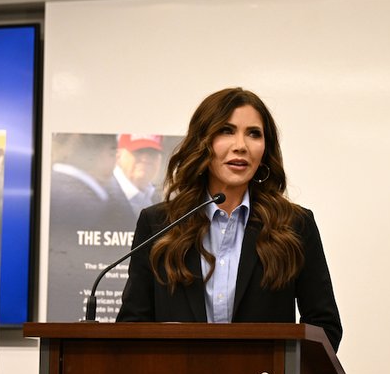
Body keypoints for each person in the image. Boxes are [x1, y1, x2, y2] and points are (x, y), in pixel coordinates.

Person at [116, 88, 342, 350]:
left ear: (265, 148)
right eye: (226, 130)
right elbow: (133, 324)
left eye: (254, 134)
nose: (241, 146)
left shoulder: (295, 225)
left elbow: (324, 325)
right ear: (204, 142)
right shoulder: (158, 224)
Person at [112, 134, 164, 216]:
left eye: (152, 153)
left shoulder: (161, 198)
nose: (145, 159)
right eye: (138, 151)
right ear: (118, 156)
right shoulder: (103, 195)